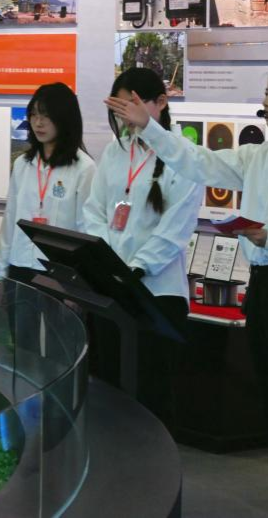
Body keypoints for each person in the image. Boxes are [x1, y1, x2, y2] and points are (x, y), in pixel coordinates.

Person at [108, 60, 268, 517]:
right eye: (267, 91)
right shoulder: (260, 157)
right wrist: (150, 127)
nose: (267, 100)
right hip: (262, 293)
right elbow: (198, 162)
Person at [88, 67, 201, 427]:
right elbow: (94, 211)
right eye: (119, 107)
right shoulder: (116, 151)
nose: (125, 115)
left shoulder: (185, 156)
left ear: (161, 102)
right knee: (109, 391)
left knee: (150, 396)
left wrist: (133, 269)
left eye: (132, 105)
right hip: (112, 290)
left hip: (157, 294)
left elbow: (174, 230)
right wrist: (106, 264)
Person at [0, 82, 96, 283]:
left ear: (65, 118)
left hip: (59, 272)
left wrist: (80, 282)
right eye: (34, 114)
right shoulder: (23, 164)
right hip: (19, 265)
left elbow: (85, 230)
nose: (38, 123)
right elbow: (9, 221)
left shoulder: (84, 168)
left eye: (46, 116)